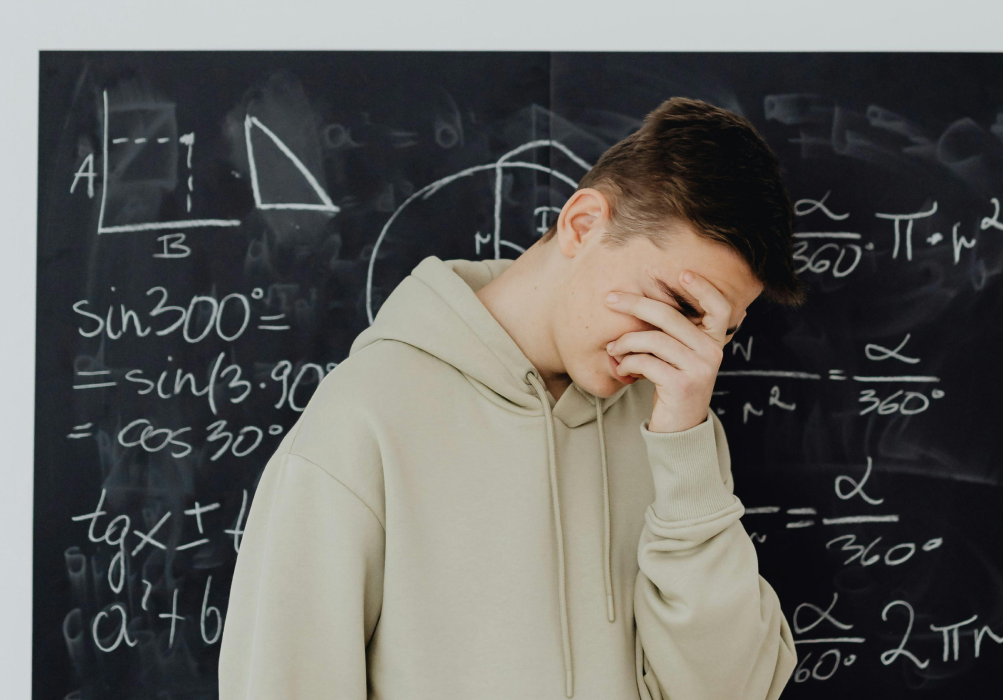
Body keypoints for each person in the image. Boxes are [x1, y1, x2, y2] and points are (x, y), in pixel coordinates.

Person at [219, 96, 806, 699]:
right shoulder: (366, 417)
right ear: (583, 225)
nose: (689, 350)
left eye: (719, 330)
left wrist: (686, 459)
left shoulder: (677, 431)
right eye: (677, 305)